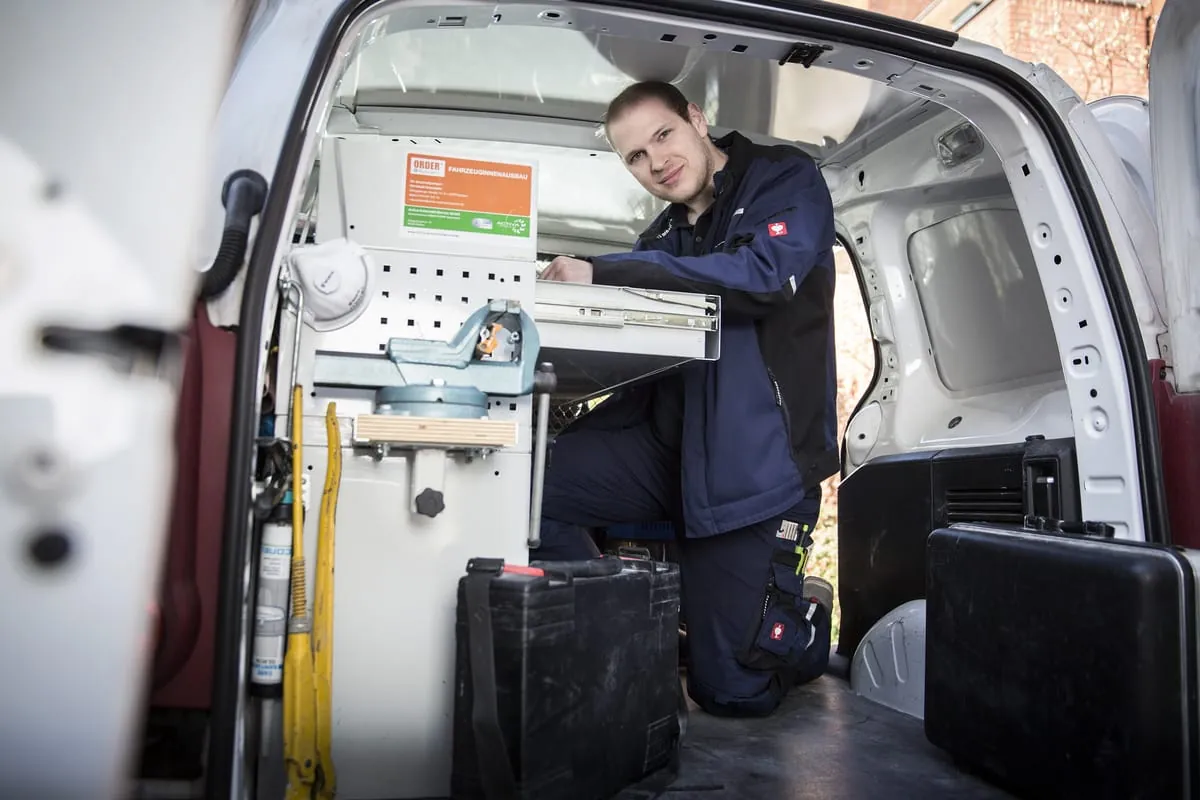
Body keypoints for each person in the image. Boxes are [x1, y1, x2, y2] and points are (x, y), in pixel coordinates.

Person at [535, 80, 839, 718]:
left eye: (663, 135)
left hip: (754, 469)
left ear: (697, 119)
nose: (655, 162)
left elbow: (762, 277)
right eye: (635, 157)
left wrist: (606, 270)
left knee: (729, 692)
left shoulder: (785, 180)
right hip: (667, 453)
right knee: (530, 485)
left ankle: (802, 620)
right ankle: (620, 636)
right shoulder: (662, 237)